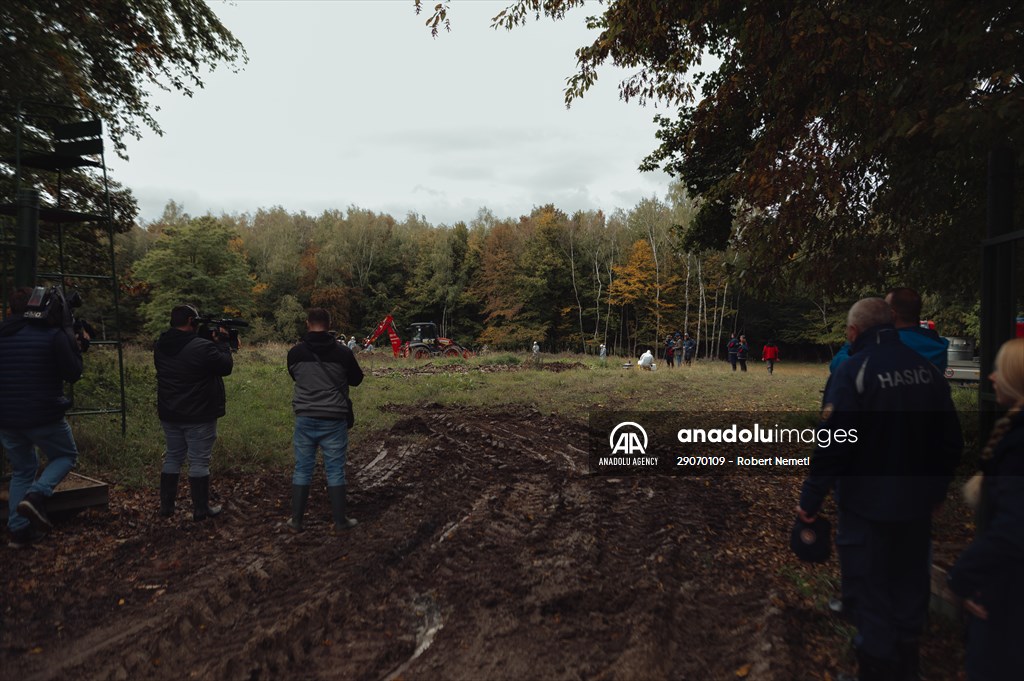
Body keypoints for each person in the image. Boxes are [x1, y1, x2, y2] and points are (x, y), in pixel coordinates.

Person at [795, 297, 962, 680]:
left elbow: (834, 443)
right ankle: (908, 667)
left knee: (870, 588)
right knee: (909, 584)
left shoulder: (854, 370)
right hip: (917, 506)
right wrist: (936, 490)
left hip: (866, 505)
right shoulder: (927, 370)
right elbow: (951, 440)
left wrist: (810, 501)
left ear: (854, 332)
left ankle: (875, 669)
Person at [947, 338, 1024, 680]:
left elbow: (1014, 527)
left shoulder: (1018, 445)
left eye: (998, 371)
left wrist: (962, 577)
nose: (991, 378)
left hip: (1009, 598)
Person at [0, 287, 89, 548]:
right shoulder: (52, 335)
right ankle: (36, 496)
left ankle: (19, 532)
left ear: (10, 310)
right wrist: (74, 345)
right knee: (66, 456)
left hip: (6, 418)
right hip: (43, 414)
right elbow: (73, 373)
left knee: (23, 469)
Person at [286, 308, 364, 532]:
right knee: (335, 469)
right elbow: (357, 380)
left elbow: (294, 375)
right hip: (334, 418)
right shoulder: (343, 354)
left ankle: (297, 521)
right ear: (329, 325)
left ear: (307, 323)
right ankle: (340, 521)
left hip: (305, 417)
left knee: (302, 468)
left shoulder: (295, 353)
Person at [154, 304, 234, 521]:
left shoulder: (160, 344)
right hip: (199, 412)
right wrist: (224, 344)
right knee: (199, 461)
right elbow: (225, 366)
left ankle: (166, 507)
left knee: (173, 456)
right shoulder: (201, 347)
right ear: (191, 321)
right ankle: (200, 509)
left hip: (170, 411)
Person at [830, 287, 948, 373]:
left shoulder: (886, 343)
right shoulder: (937, 345)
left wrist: (852, 341)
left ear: (892, 314)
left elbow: (840, 367)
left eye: (885, 308)